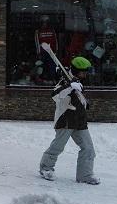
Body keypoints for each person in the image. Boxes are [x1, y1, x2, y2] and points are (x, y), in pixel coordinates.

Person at [39, 56, 100, 185]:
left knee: (88, 148)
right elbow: (55, 95)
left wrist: (84, 103)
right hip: (65, 120)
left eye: (86, 71)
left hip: (80, 121)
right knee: (57, 147)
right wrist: (69, 86)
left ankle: (85, 175)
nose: (85, 74)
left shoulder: (79, 81)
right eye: (83, 71)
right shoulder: (64, 81)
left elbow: (79, 98)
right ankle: (46, 168)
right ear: (76, 70)